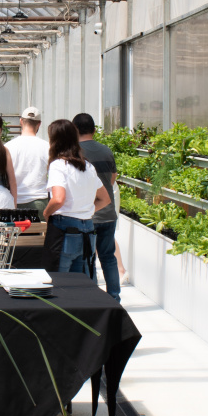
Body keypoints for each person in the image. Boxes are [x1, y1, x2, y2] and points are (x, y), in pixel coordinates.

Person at [42, 119, 111, 276]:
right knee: (81, 285)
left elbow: (59, 199)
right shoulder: (88, 166)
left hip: (63, 230)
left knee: (58, 281)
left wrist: (46, 213)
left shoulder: (58, 165)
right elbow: (105, 199)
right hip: (87, 230)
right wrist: (87, 210)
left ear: (54, 141)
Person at [72, 113, 121, 300]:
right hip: (108, 214)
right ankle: (114, 297)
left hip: (87, 215)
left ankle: (92, 298)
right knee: (108, 257)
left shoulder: (75, 152)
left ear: (74, 130)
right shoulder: (106, 151)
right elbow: (112, 178)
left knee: (88, 258)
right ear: (94, 130)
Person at [4, 106, 50, 216]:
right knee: (39, 233)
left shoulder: (8, 147)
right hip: (39, 202)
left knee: (15, 234)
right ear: (39, 124)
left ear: (21, 121)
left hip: (14, 201)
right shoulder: (47, 147)